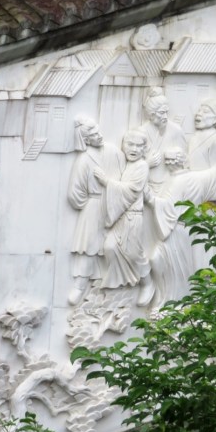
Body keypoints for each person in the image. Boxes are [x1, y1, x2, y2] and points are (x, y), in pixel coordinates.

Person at [147, 143, 216, 310]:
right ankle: (171, 301)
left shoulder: (178, 181)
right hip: (192, 231)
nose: (168, 164)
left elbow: (169, 206)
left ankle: (173, 303)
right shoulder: (197, 178)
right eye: (167, 161)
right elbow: (215, 173)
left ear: (177, 162)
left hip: (178, 231)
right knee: (171, 264)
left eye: (170, 161)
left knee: (174, 268)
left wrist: (150, 198)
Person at [66, 116, 124, 305]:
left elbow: (125, 176)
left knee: (113, 244)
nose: (99, 136)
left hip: (116, 202)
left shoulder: (114, 151)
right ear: (86, 139)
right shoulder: (83, 160)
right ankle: (80, 285)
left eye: (98, 132)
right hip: (93, 205)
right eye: (93, 135)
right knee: (89, 246)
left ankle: (108, 284)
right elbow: (74, 193)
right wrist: (91, 202)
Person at [94, 128, 152, 303]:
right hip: (121, 216)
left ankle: (148, 284)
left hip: (133, 217)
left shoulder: (142, 166)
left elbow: (133, 190)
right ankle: (117, 283)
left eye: (138, 146)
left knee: (134, 254)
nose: (134, 149)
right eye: (130, 144)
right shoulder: (126, 165)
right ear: (123, 146)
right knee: (110, 247)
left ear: (144, 149)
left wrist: (107, 181)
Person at [186, 99, 216, 202]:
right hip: (190, 186)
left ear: (215, 119)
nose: (199, 114)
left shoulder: (215, 140)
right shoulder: (194, 138)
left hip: (201, 189)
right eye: (199, 110)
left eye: (205, 111)